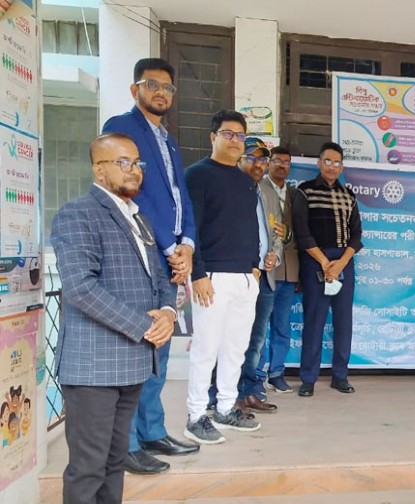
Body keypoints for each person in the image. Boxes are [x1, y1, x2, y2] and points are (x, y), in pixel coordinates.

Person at [51, 133, 176, 504]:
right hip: (94, 368)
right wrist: (145, 326)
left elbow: (161, 279)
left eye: (137, 163)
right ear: (99, 169)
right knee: (88, 468)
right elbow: (79, 288)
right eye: (123, 162)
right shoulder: (78, 213)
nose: (134, 170)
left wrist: (168, 312)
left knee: (114, 463)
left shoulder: (140, 220)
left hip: (132, 364)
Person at [102, 57, 199, 474]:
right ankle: (126, 445)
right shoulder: (120, 129)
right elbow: (128, 193)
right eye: (152, 84)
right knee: (136, 350)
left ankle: (153, 430)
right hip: (141, 251)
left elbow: (181, 198)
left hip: (172, 257)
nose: (161, 92)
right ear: (135, 89)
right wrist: (167, 246)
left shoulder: (169, 140)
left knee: (159, 347)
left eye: (167, 88)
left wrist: (188, 246)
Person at [184, 110, 262, 445]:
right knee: (206, 349)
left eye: (240, 135)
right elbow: (191, 230)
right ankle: (196, 414)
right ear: (212, 137)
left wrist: (256, 268)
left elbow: (249, 228)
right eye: (227, 134)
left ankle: (226, 407)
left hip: (245, 278)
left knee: (236, 348)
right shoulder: (197, 176)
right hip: (212, 276)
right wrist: (198, 274)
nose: (234, 140)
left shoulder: (246, 179)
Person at [292, 142, 363, 397]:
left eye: (337, 162)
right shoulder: (304, 192)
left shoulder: (349, 196)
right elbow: (302, 232)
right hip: (316, 261)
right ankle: (308, 379)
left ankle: (340, 376)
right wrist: (324, 263)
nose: (332, 166)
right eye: (328, 161)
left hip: (343, 261)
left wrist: (342, 262)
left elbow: (357, 234)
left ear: (342, 167)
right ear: (319, 162)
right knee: (314, 321)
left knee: (344, 322)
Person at [235, 137, 283, 413]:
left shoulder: (268, 192)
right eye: (252, 157)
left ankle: (250, 391)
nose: (258, 163)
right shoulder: (231, 189)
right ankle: (223, 395)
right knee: (232, 338)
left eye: (263, 159)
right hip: (239, 276)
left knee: (256, 339)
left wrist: (275, 253)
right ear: (240, 159)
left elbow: (279, 232)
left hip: (265, 277)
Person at [258, 146, 299, 393]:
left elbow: (302, 231)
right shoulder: (258, 188)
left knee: (282, 325)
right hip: (264, 269)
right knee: (260, 326)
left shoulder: (296, 195)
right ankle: (255, 375)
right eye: (277, 161)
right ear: (268, 163)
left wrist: (290, 234)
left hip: (289, 269)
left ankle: (276, 373)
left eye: (286, 162)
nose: (281, 166)